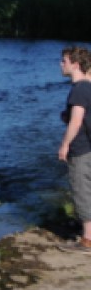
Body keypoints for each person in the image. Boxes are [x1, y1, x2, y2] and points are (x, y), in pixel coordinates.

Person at [57, 46, 91, 254]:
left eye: (64, 61)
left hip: (81, 148)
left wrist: (64, 144)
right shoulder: (89, 86)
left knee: (81, 191)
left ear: (75, 65)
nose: (61, 64)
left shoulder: (78, 89)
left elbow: (77, 120)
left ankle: (87, 240)